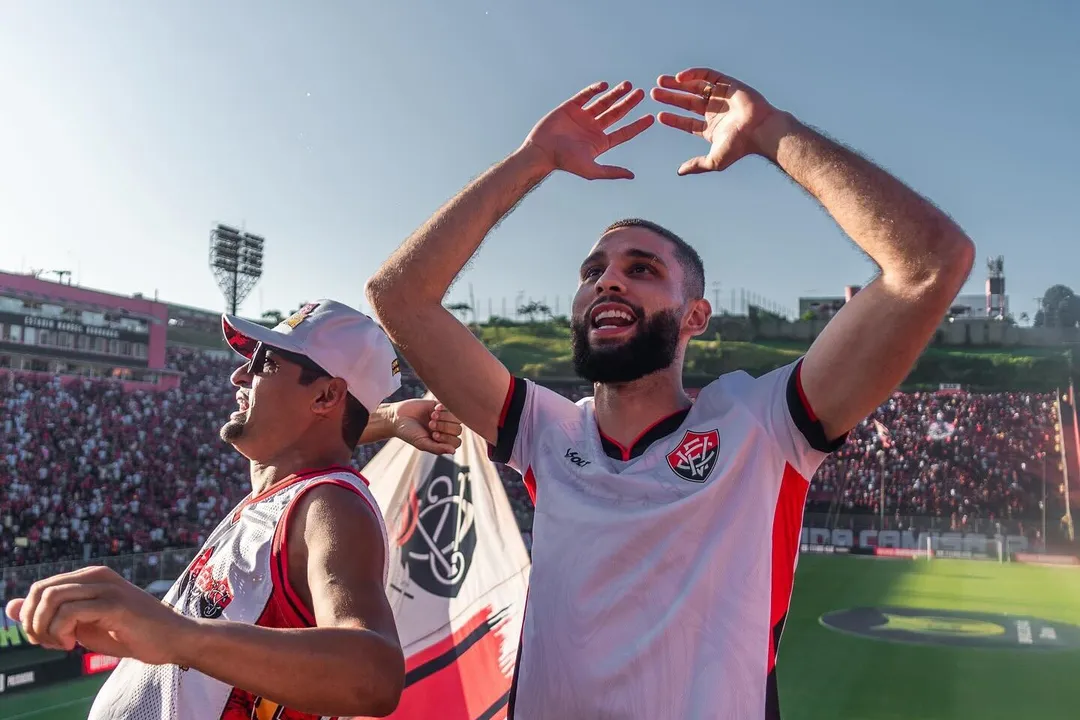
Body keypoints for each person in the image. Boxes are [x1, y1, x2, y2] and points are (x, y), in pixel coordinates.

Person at [365, 68, 975, 719]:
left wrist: (774, 135)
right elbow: (397, 298)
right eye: (593, 271)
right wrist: (530, 161)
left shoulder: (763, 424)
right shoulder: (546, 431)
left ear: (695, 317)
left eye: (642, 270)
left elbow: (930, 262)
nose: (608, 282)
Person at [5, 299, 463, 719]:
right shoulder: (280, 485)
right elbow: (317, 437)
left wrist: (175, 635)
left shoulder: (330, 505)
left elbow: (375, 676)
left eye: (264, 362)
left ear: (324, 396)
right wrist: (385, 417)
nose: (239, 376)